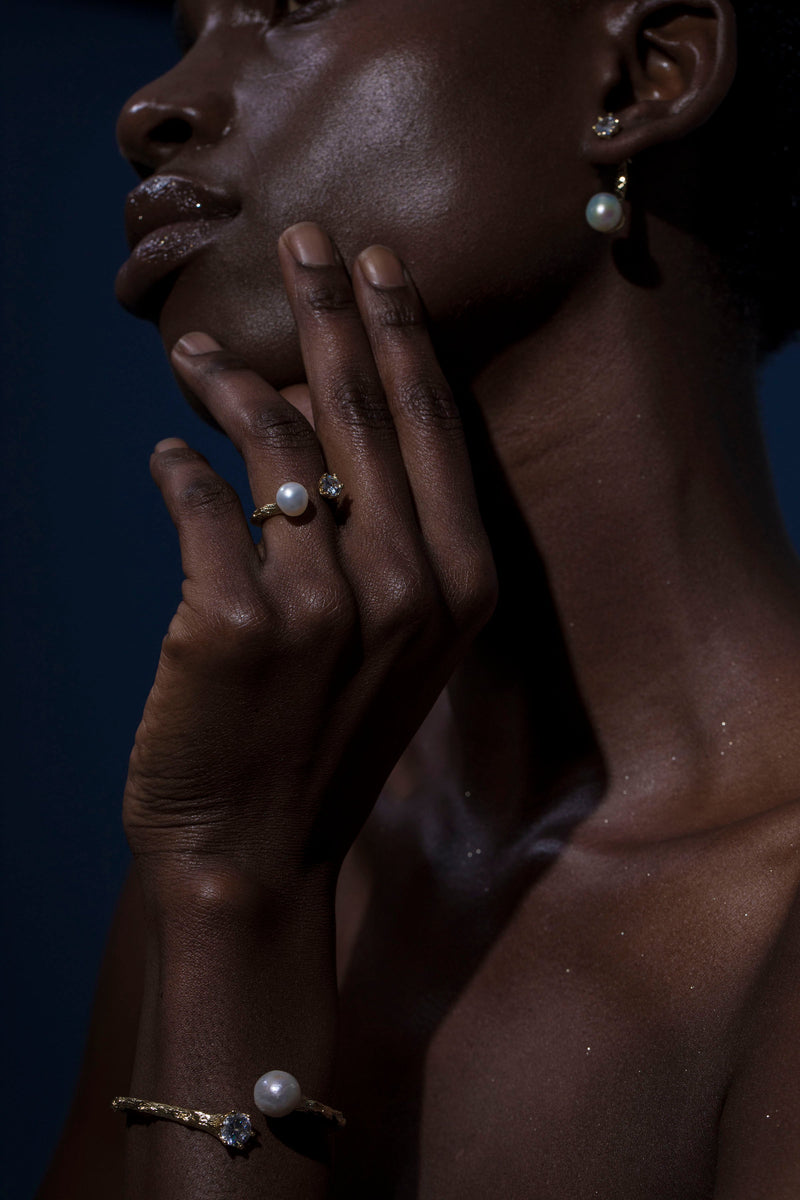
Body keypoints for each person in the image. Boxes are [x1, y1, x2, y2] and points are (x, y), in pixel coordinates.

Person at [38, 0, 800, 1196]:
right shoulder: (261, 817)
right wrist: (228, 891)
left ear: (644, 71)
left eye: (292, 5)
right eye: (185, 30)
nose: (151, 108)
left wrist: (238, 895)